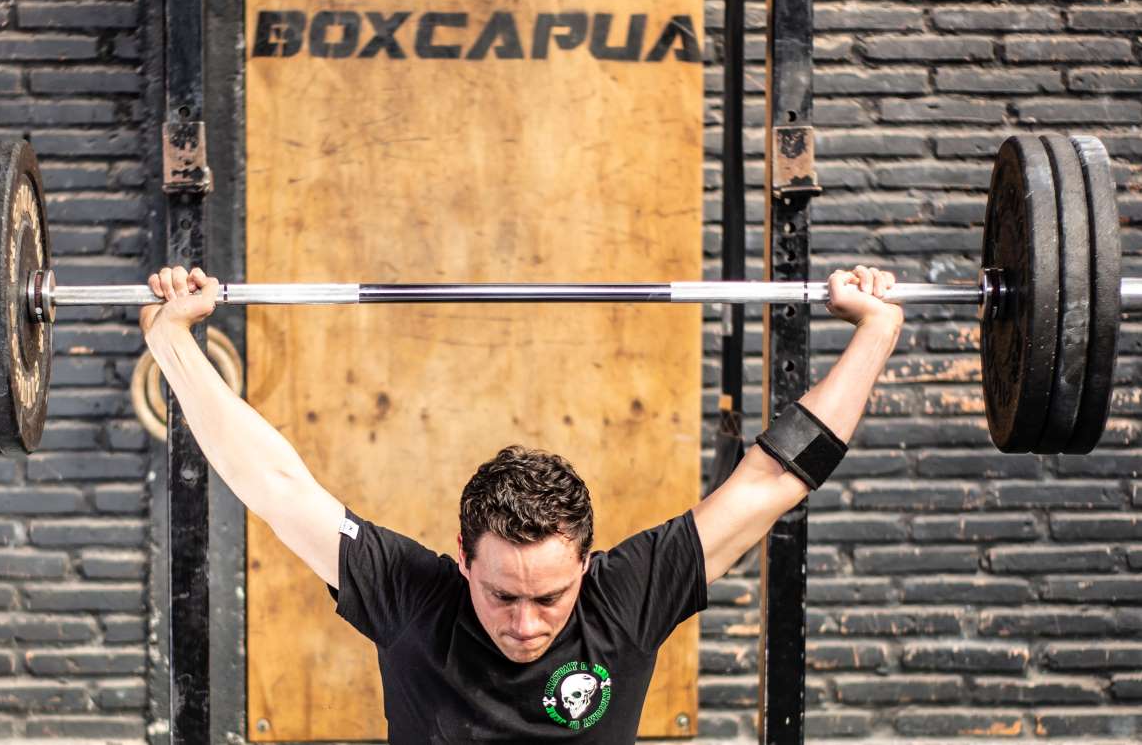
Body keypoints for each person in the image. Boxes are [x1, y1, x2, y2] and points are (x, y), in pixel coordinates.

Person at [142, 265, 903, 742]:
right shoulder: (413, 596)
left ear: (587, 564)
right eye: (503, 593)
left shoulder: (627, 595)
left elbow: (775, 477)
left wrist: (878, 329)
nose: (526, 622)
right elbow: (272, 484)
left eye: (551, 596)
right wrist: (175, 347)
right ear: (463, 557)